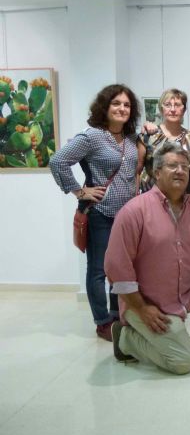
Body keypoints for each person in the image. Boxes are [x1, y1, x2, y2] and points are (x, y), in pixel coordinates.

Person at [104, 143, 190, 375]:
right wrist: (141, 308)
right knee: (183, 362)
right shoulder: (134, 211)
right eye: (172, 166)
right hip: (144, 303)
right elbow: (117, 268)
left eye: (184, 166)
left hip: (184, 292)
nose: (180, 170)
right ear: (157, 173)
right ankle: (125, 339)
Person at [50, 84, 142, 341]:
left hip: (127, 215)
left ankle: (117, 314)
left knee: (121, 268)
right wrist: (79, 192)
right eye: (116, 103)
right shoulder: (91, 136)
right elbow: (58, 161)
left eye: (126, 105)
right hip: (100, 213)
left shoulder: (131, 138)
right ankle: (102, 321)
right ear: (105, 107)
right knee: (99, 269)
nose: (122, 108)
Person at [139, 88, 190, 193]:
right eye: (167, 105)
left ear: (184, 109)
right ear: (161, 109)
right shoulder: (148, 135)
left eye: (177, 105)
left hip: (180, 198)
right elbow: (137, 170)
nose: (172, 109)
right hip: (149, 196)